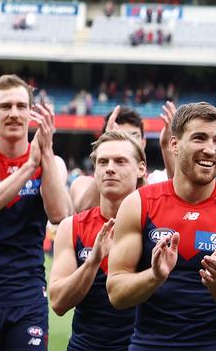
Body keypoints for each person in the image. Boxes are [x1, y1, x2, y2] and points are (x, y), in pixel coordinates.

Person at [107, 102, 216, 351]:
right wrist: (155, 275)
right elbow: (116, 294)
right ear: (174, 144)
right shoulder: (138, 204)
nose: (210, 150)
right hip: (149, 345)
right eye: (199, 138)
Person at [0, 75, 70, 349]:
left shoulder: (52, 162)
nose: (14, 113)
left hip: (27, 296)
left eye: (21, 106)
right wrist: (28, 168)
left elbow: (60, 215)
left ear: (31, 112)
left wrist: (45, 153)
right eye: (6, 106)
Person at [49, 131, 147, 351]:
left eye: (120, 161)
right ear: (95, 171)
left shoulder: (155, 228)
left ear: (141, 168)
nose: (110, 168)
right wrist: (92, 262)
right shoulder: (72, 226)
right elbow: (58, 303)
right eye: (103, 162)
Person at [71, 104, 174, 213]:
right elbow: (83, 211)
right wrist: (107, 145)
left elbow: (180, 201)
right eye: (118, 135)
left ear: (143, 142)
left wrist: (167, 148)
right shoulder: (83, 183)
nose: (126, 142)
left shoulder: (159, 179)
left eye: (133, 136)